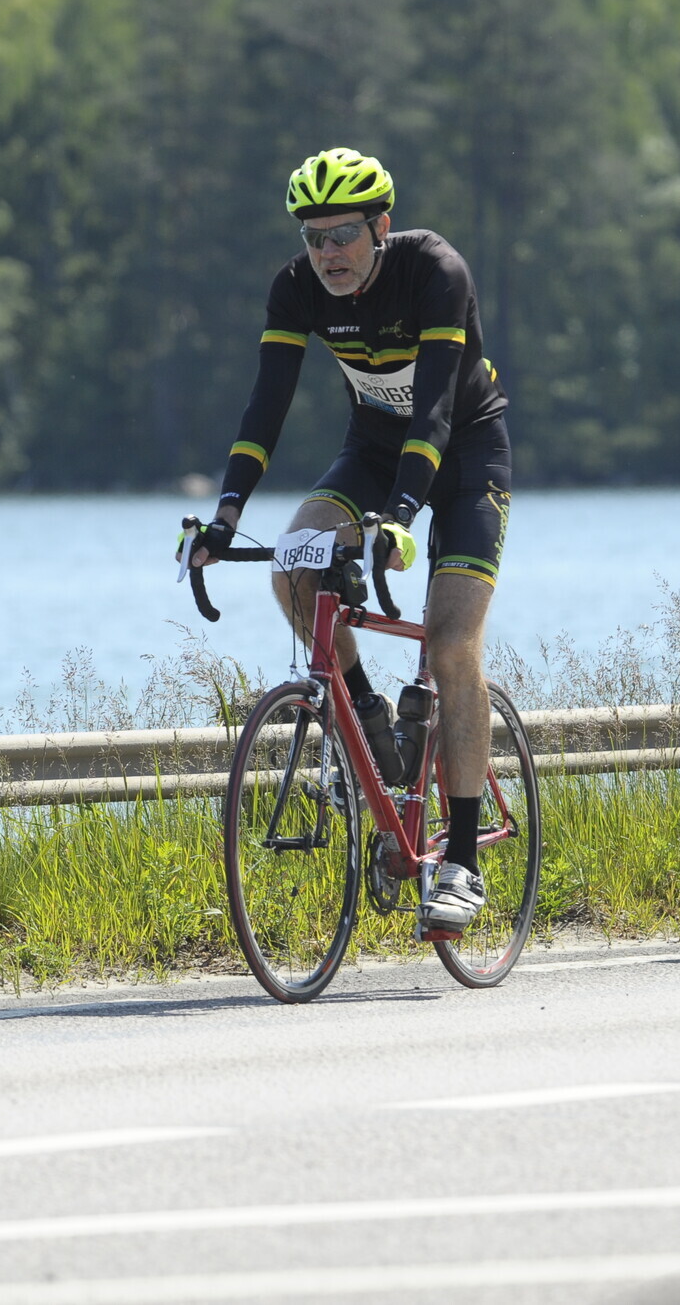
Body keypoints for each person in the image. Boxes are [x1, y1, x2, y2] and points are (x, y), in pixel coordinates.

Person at [189, 147, 511, 930]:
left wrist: (400, 514)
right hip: (371, 452)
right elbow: (266, 405)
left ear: (381, 227)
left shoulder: (435, 272)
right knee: (293, 569)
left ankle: (462, 862)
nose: (328, 253)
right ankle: (368, 715)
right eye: (314, 237)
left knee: (451, 644)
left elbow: (435, 410)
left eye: (343, 235)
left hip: (464, 453)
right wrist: (226, 514)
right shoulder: (296, 288)